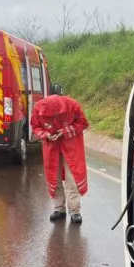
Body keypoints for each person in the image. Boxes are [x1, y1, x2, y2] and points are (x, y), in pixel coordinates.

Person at [30, 92, 90, 223]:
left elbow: (83, 123)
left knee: (72, 179)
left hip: (71, 147)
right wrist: (46, 134)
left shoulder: (73, 105)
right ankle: (59, 208)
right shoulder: (38, 108)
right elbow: (35, 126)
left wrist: (64, 131)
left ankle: (75, 211)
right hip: (51, 148)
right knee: (53, 178)